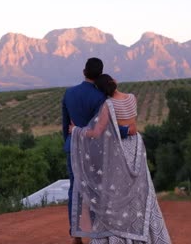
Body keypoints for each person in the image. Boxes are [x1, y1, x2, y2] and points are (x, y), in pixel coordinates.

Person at [69, 74, 171, 244]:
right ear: (113, 82)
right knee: (141, 191)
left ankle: (117, 236)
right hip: (136, 148)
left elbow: (96, 132)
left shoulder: (108, 105)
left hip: (119, 151)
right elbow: (132, 127)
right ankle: (148, 234)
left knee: (115, 193)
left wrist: (76, 131)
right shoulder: (132, 98)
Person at [62, 57, 106, 244]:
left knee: (75, 190)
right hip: (93, 150)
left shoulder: (69, 93)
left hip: (73, 147)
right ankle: (96, 233)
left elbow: (65, 124)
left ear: (84, 71)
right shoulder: (100, 97)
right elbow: (103, 128)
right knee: (96, 190)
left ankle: (76, 235)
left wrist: (69, 142)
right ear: (100, 75)